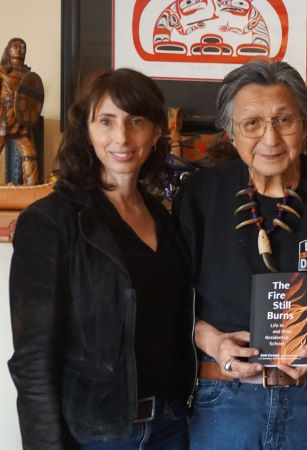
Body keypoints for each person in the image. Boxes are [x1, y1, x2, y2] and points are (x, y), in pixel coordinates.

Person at [173, 60, 307, 449]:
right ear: (230, 131)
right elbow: (170, 300)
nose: (270, 138)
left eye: (284, 120)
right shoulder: (199, 196)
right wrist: (214, 344)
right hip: (225, 402)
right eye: (252, 123)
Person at [8, 68, 195, 449]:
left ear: (157, 131)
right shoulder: (50, 222)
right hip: (99, 434)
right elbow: (33, 361)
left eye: (136, 121)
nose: (122, 137)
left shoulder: (167, 220)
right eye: (106, 121)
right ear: (87, 131)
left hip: (174, 425)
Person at [0, 37, 38, 185]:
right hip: (5, 118)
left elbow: (33, 97)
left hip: (23, 120)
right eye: (15, 46)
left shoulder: (28, 74)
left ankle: (31, 190)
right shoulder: (2, 71)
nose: (19, 49)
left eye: (22, 47)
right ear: (8, 50)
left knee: (30, 155)